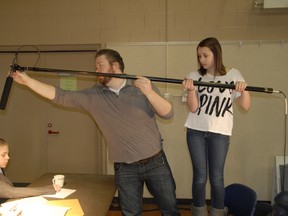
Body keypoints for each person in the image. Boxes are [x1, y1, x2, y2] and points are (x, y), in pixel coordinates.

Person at [11, 49, 180, 216]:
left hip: (155, 162)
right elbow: (60, 96)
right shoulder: (93, 96)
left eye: (100, 65)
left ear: (115, 66)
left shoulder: (141, 88)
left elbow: (168, 113)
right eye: (95, 66)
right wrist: (27, 81)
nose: (96, 70)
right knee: (130, 213)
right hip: (125, 167)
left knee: (170, 210)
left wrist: (149, 92)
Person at [182, 37, 251, 216]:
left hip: (220, 133)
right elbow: (193, 107)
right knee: (199, 177)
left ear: (216, 53)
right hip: (195, 131)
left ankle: (217, 213)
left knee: (217, 178)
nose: (202, 60)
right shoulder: (194, 76)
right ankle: (199, 212)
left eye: (205, 55)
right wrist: (191, 90)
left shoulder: (233, 74)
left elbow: (245, 106)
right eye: (199, 56)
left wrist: (243, 90)